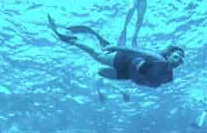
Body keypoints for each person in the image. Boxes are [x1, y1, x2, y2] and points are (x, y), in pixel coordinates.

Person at [48, 15, 184, 88]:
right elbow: (137, 52)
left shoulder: (169, 78)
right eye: (176, 56)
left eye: (180, 59)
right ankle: (73, 40)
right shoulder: (159, 60)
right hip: (127, 60)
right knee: (97, 56)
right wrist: (116, 48)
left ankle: (101, 39)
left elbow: (152, 82)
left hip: (128, 74)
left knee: (100, 71)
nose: (178, 60)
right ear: (169, 56)